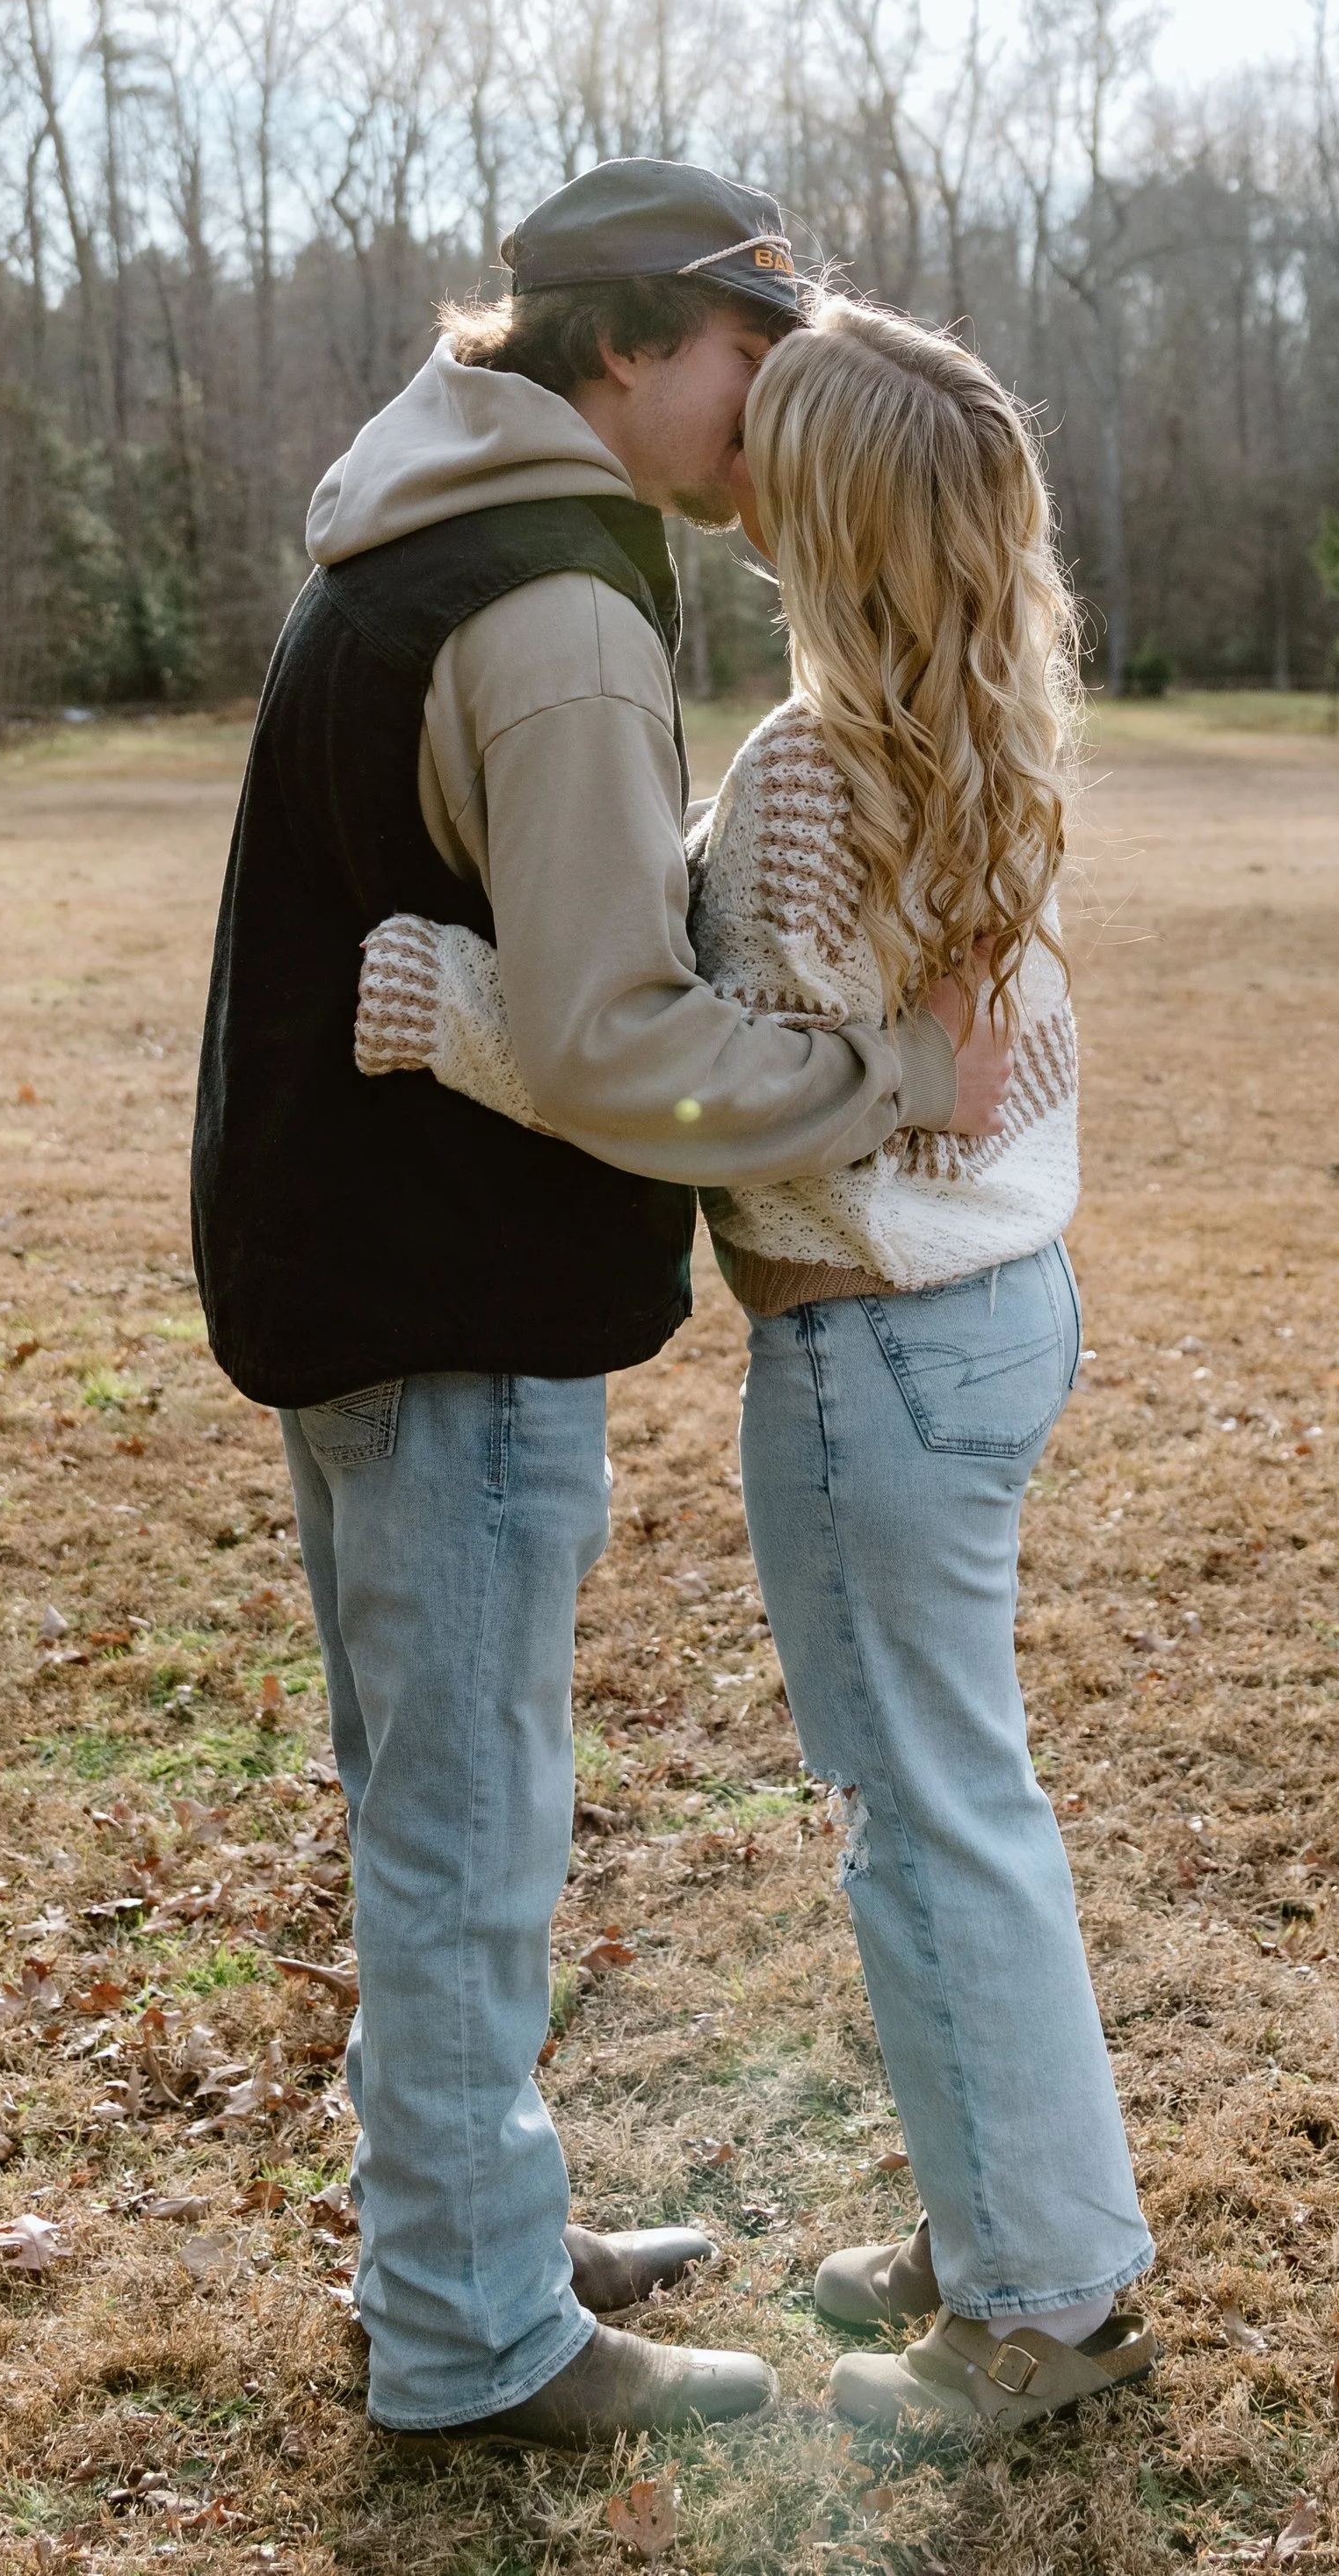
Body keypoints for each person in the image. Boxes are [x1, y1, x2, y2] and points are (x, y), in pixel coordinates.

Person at [190, 167, 1010, 2446]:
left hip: (354, 1256)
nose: (777, 405)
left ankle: (468, 2219)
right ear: (637, 342)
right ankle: (468, 2330)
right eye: (755, 352)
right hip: (438, 1286)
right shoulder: (556, 603)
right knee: (467, 1822)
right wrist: (881, 1072)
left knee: (429, 1797)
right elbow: (614, 1034)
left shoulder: (425, 504)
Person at [354, 297, 1159, 2437]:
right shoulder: (981, 723)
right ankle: (1003, 2203)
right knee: (960, 1795)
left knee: (925, 1818)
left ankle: (1041, 2302)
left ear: (813, 519)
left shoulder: (808, 771)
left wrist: (461, 1013)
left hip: (873, 1354)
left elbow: (699, 1077)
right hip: (997, 1318)